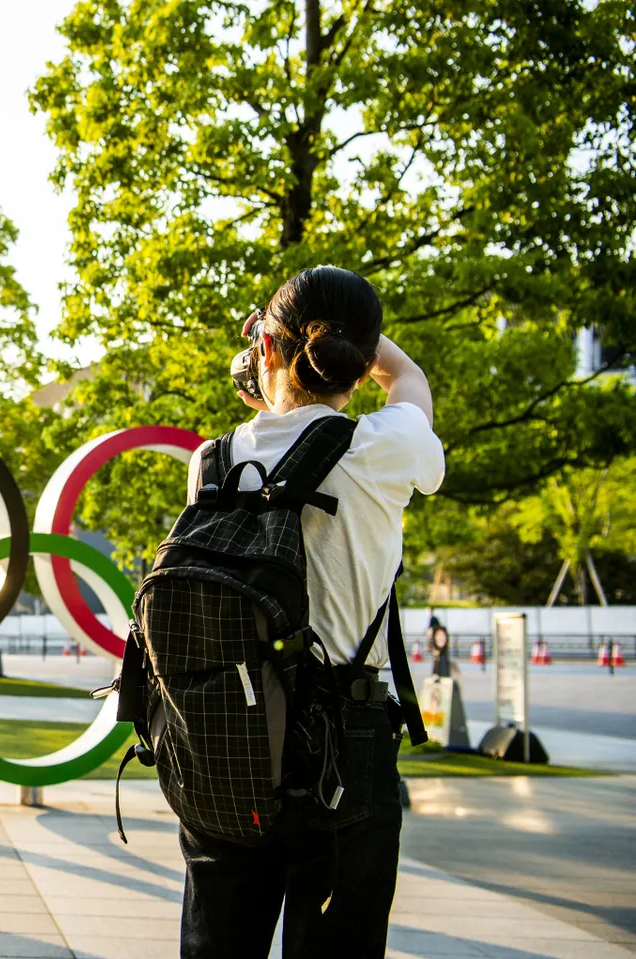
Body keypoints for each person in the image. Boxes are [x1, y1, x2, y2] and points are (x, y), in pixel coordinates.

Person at [179, 266, 444, 958]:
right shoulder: (384, 450)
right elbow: (410, 381)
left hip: (226, 735)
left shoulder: (211, 462)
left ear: (263, 347)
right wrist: (372, 347)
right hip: (344, 741)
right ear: (359, 366)